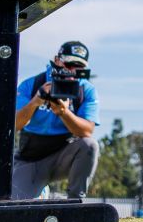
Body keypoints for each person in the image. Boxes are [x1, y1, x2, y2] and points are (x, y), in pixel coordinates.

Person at [13, 41, 100, 200]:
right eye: (69, 63)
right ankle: (39, 190)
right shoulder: (31, 85)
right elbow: (15, 125)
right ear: (57, 59)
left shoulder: (86, 90)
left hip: (64, 155)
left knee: (89, 145)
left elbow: (87, 131)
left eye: (78, 66)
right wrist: (35, 102)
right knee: (16, 205)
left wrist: (64, 112)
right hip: (31, 157)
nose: (72, 70)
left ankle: (74, 203)